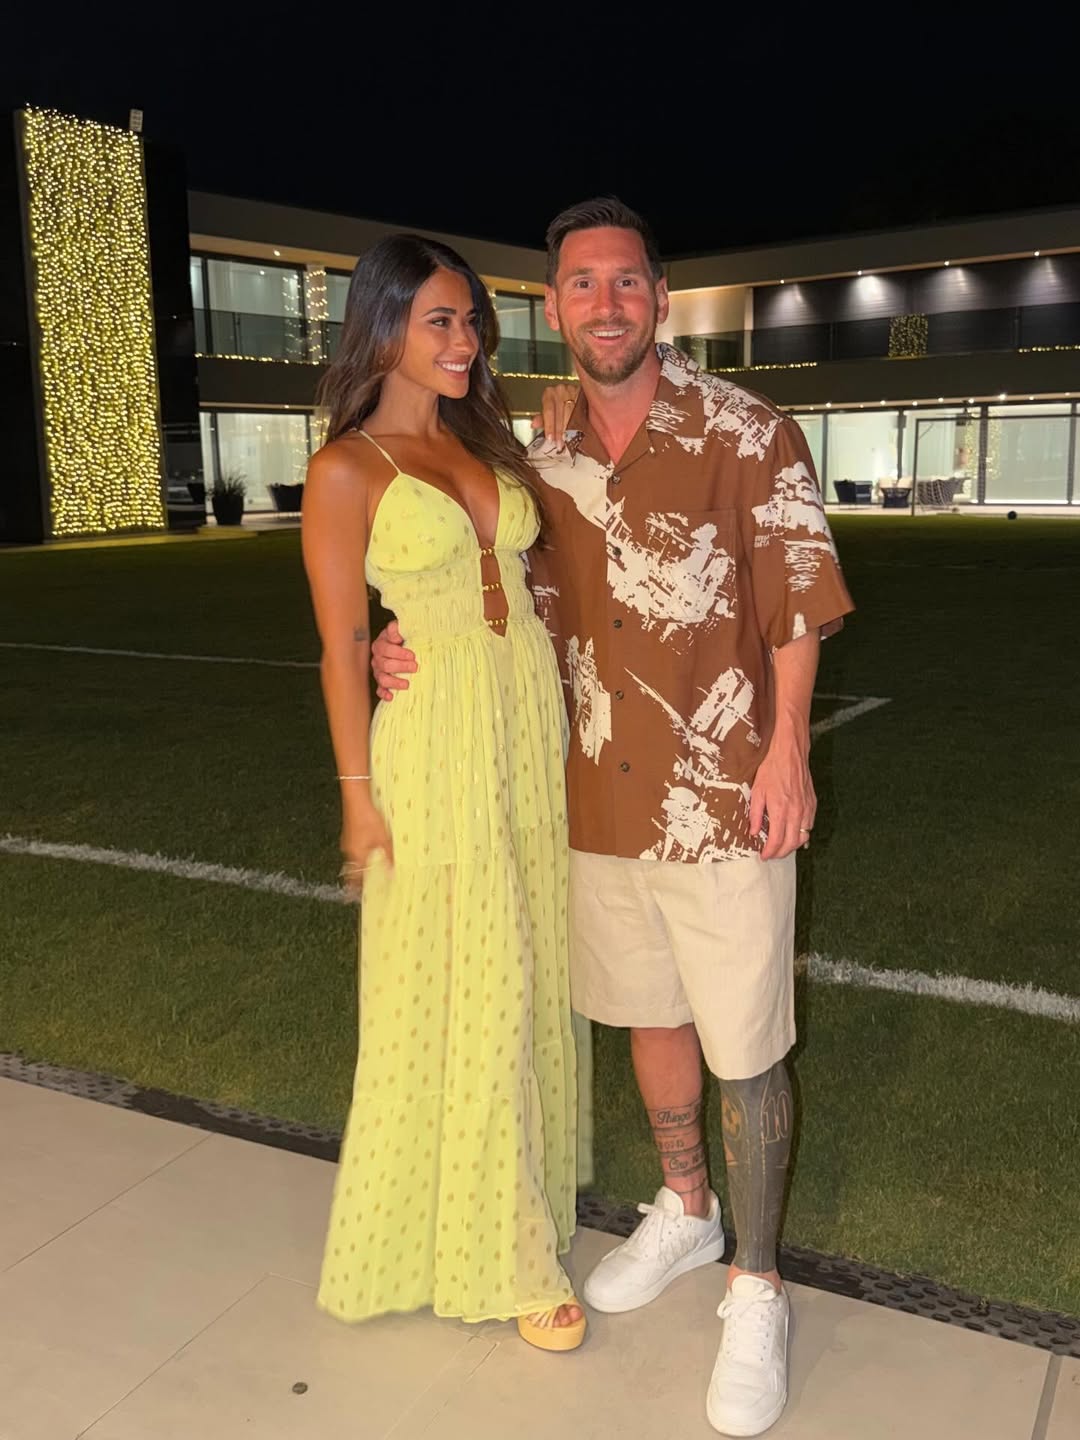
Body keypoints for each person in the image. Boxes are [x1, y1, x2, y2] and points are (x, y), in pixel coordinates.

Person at [373, 198, 854, 1434]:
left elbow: (798, 601)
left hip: (722, 797)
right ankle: (686, 1208)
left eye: (626, 281)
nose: (606, 304)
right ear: (554, 306)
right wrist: (397, 640)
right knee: (649, 1013)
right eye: (582, 284)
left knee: (746, 1044)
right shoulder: (535, 458)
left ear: (660, 297)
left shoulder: (748, 431)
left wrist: (790, 749)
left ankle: (757, 1287)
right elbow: (494, 592)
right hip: (589, 797)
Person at [301, 232, 585, 1351]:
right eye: (439, 321)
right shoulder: (345, 470)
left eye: (471, 320)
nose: (465, 340)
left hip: (523, 731)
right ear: (384, 328)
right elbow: (340, 648)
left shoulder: (488, 441)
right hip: (435, 745)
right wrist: (357, 798)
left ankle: (495, 1210)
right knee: (468, 991)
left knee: (526, 977)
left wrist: (557, 430)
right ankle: (507, 1256)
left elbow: (536, 569)